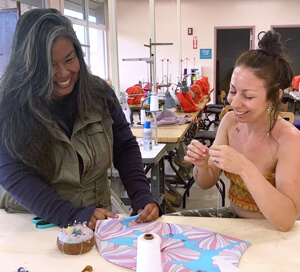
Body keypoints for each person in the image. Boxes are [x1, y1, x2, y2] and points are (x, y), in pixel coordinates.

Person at [0, 8, 160, 229]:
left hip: (95, 219)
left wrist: (141, 194)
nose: (64, 73)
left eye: (69, 59)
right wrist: (70, 215)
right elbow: (13, 173)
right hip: (36, 224)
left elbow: (124, 147)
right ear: (30, 67)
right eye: (50, 66)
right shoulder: (9, 104)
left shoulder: (99, 94)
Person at [171, 31, 300, 232]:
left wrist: (244, 168)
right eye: (232, 91)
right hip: (233, 219)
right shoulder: (231, 122)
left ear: (274, 97)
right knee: (170, 228)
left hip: (270, 230)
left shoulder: (289, 140)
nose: (234, 102)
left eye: (248, 96)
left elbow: (286, 221)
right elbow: (206, 182)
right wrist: (203, 165)